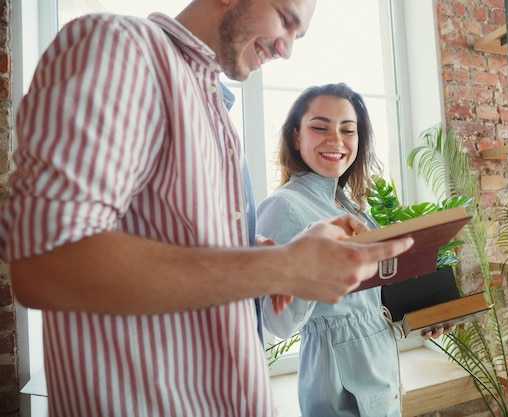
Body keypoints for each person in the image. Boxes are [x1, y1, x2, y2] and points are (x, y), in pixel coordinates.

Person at [0, 2, 415, 416]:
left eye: (298, 35)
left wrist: (260, 252)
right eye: (285, 20)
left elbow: (166, 240)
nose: (287, 49)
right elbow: (45, 260)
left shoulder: (214, 108)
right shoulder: (121, 47)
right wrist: (279, 267)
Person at [257, 83, 403, 417]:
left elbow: (369, 296)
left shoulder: (352, 206)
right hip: (339, 382)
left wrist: (421, 316)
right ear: (296, 137)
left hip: (381, 370)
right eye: (320, 127)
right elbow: (276, 324)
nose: (335, 140)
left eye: (347, 130)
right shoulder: (284, 206)